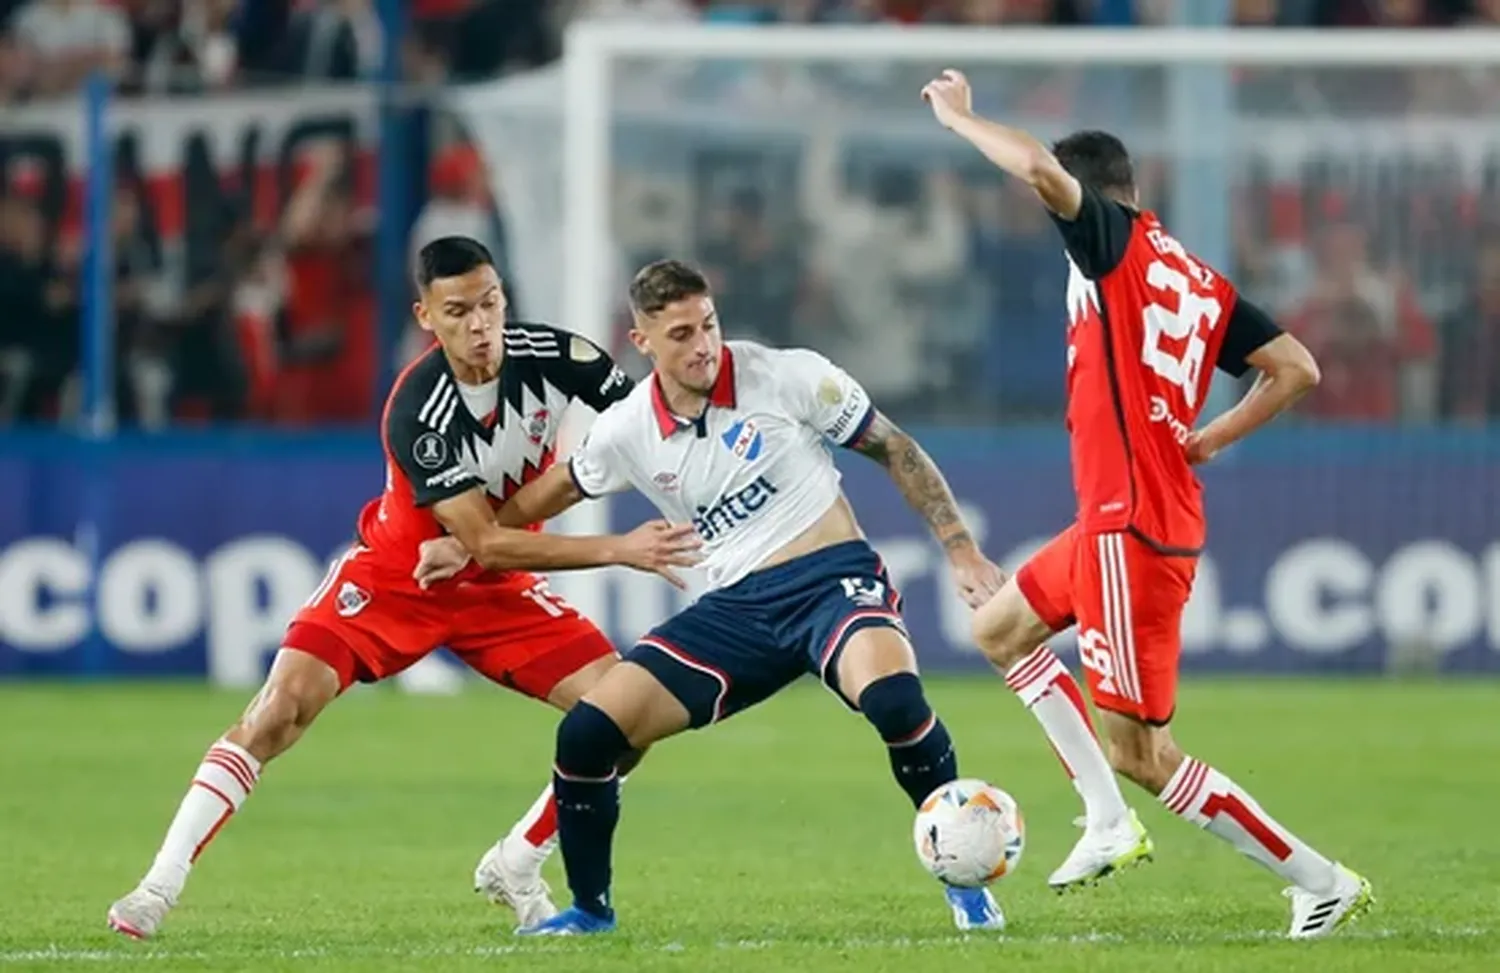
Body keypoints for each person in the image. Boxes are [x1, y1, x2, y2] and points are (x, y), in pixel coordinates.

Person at [105, 237, 701, 940]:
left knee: (628, 717)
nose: (480, 324)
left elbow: (648, 424)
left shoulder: (558, 357)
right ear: (426, 316)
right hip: (396, 579)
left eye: (490, 303)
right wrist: (618, 548)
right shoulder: (417, 409)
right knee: (277, 712)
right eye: (458, 311)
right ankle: (157, 886)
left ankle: (516, 861)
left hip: (495, 589)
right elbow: (478, 540)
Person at [417, 258, 1011, 936]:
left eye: (708, 325)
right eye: (679, 334)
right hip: (738, 611)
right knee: (587, 733)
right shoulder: (627, 428)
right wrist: (471, 540)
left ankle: (963, 880)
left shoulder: (786, 376)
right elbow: (555, 487)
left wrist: (959, 546)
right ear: (642, 342)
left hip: (831, 581)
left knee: (895, 700)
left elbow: (895, 447)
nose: (702, 345)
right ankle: (590, 910)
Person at [920, 70, 1371, 939]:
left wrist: (961, 117)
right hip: (1116, 519)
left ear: (1091, 195)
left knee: (1142, 752)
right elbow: (1298, 367)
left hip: (1134, 529)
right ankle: (1106, 820)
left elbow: (1039, 172)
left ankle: (1317, 878)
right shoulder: (1196, 276)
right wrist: (1211, 437)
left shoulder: (1110, 244)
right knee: (998, 629)